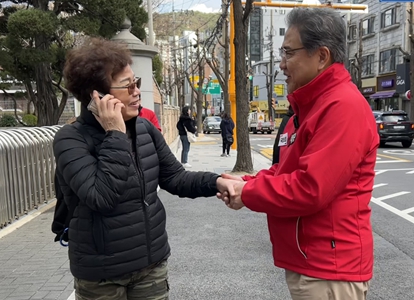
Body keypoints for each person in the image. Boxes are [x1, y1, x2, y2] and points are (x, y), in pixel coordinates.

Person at [52, 38, 236, 300]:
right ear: (97, 96)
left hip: (150, 265)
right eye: (128, 86)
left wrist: (217, 182)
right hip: (101, 274)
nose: (137, 91)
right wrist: (114, 133)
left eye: (136, 82)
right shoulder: (70, 140)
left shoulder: (144, 129)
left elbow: (175, 178)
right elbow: (102, 198)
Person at [218, 8, 377, 299]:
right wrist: (246, 184)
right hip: (312, 262)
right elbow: (284, 172)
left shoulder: (342, 107)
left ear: (321, 56)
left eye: (289, 53)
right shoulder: (306, 109)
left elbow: (310, 188)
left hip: (330, 268)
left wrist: (248, 193)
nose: (281, 64)